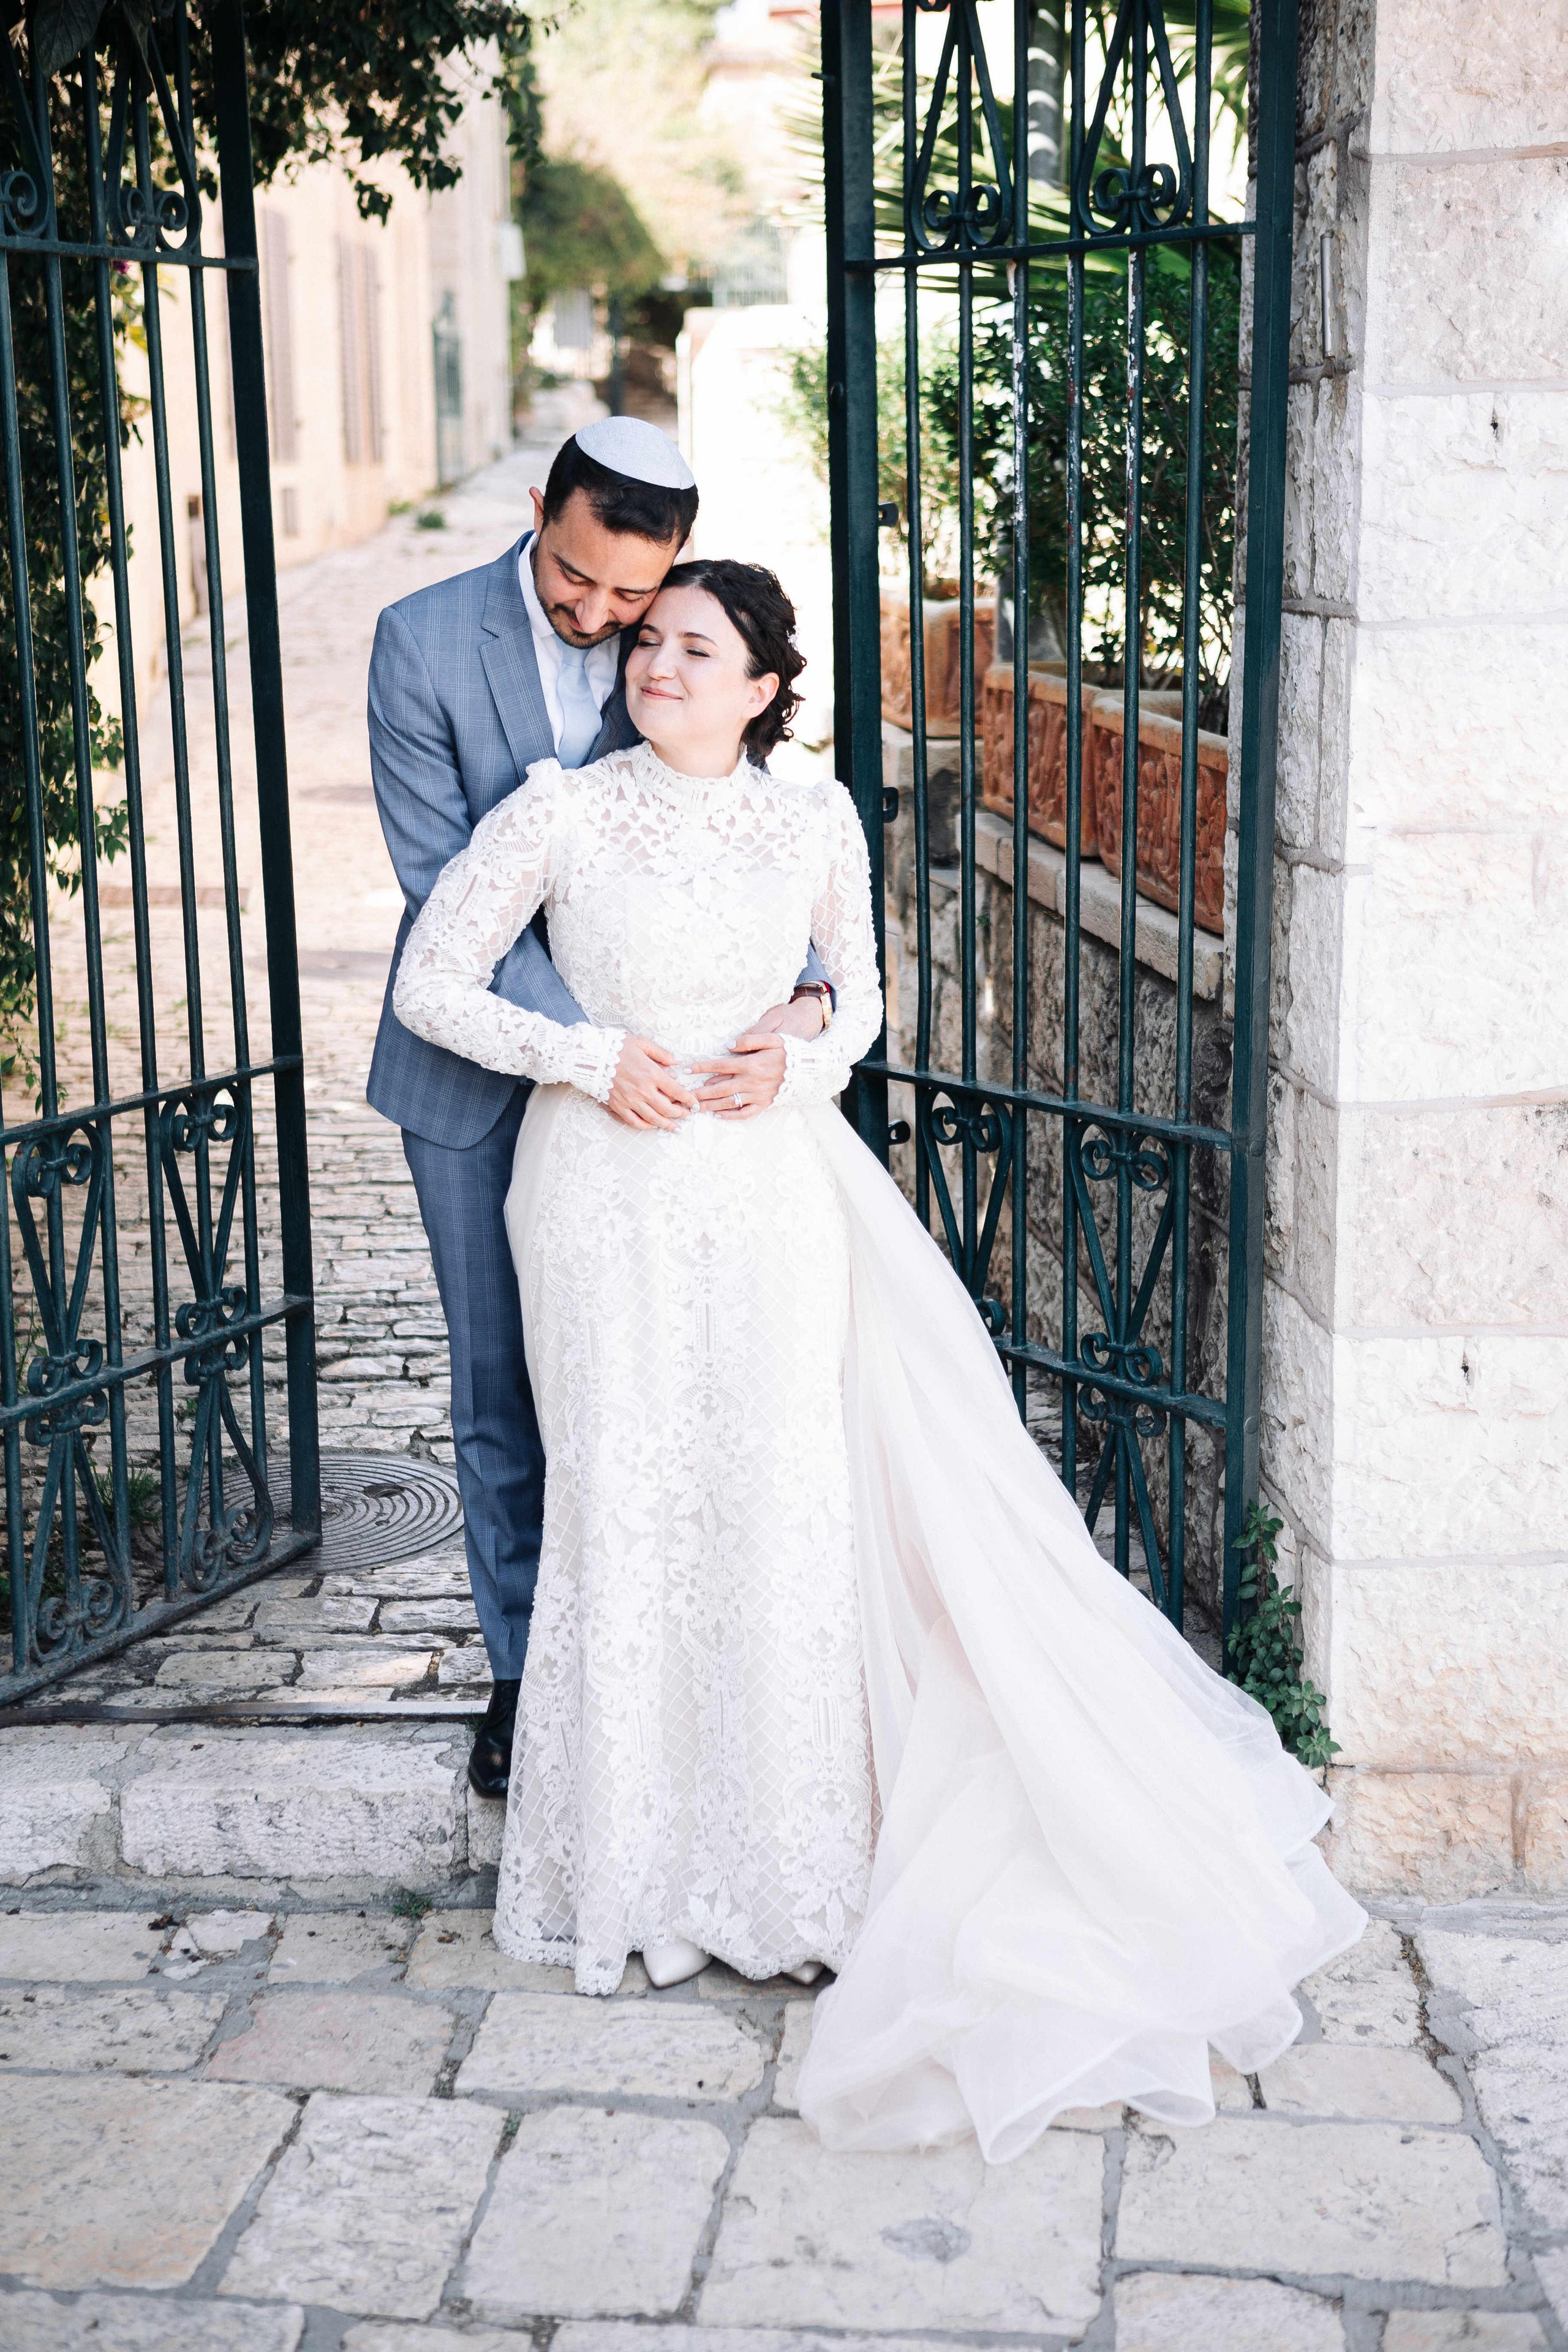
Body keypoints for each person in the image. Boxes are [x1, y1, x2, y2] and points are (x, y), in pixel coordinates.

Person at [391, 557, 1365, 2159]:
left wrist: (795, 1054)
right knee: (628, 1501)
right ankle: (630, 1869)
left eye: (695, 648)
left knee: (777, 1509)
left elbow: (859, 998)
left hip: (769, 1192)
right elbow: (431, 983)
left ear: (764, 686)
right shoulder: (559, 811)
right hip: (599, 1196)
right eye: (649, 642)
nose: (658, 666)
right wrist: (584, 1055)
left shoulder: (818, 818)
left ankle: (791, 1871)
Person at [366, 422, 829, 1800]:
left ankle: (658, 1666)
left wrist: (806, 993)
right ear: (538, 509)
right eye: (575, 577)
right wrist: (596, 1046)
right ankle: (528, 1678)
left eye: (632, 591)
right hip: (478, 1076)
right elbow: (438, 888)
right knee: (503, 1388)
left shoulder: (675, 636)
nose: (598, 614)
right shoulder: (420, 641)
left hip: (667, 1100)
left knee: (664, 1388)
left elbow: (740, 837)